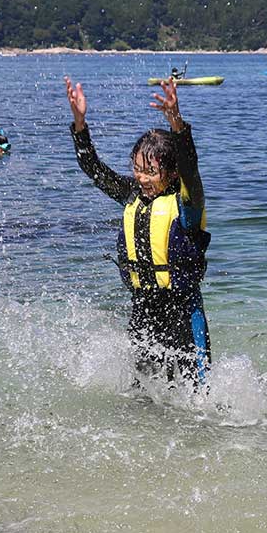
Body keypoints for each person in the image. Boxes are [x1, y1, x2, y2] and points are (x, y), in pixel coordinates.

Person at [65, 75, 211, 385]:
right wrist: (80, 124)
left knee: (197, 397)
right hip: (143, 309)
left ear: (170, 173)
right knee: (145, 393)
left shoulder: (187, 203)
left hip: (182, 312)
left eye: (150, 171)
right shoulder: (131, 195)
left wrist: (177, 126)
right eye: (137, 168)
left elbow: (191, 170)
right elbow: (93, 169)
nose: (141, 178)